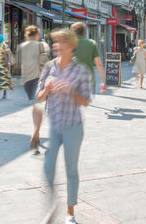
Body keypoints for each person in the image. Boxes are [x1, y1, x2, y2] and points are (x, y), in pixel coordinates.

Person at [37, 29, 91, 224]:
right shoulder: (49, 67)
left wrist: (70, 90)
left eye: (59, 42)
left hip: (73, 126)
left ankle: (70, 212)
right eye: (54, 42)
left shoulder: (81, 71)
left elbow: (85, 101)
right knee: (48, 166)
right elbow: (39, 97)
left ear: (70, 45)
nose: (55, 45)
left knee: (71, 169)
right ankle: (52, 203)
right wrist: (47, 89)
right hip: (54, 124)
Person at [18, 25, 51, 153]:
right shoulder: (42, 45)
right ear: (37, 34)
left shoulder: (22, 46)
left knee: (35, 107)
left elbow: (19, 63)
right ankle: (35, 134)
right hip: (39, 78)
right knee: (39, 107)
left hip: (27, 81)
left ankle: (36, 134)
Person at [70, 22, 107, 96]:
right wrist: (103, 81)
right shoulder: (92, 43)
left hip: (71, 81)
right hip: (89, 81)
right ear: (84, 31)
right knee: (85, 104)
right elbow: (98, 64)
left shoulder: (69, 43)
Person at [0, 34, 13, 100]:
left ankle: (4, 93)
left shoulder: (4, 46)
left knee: (4, 80)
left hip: (3, 66)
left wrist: (9, 63)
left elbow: (9, 55)